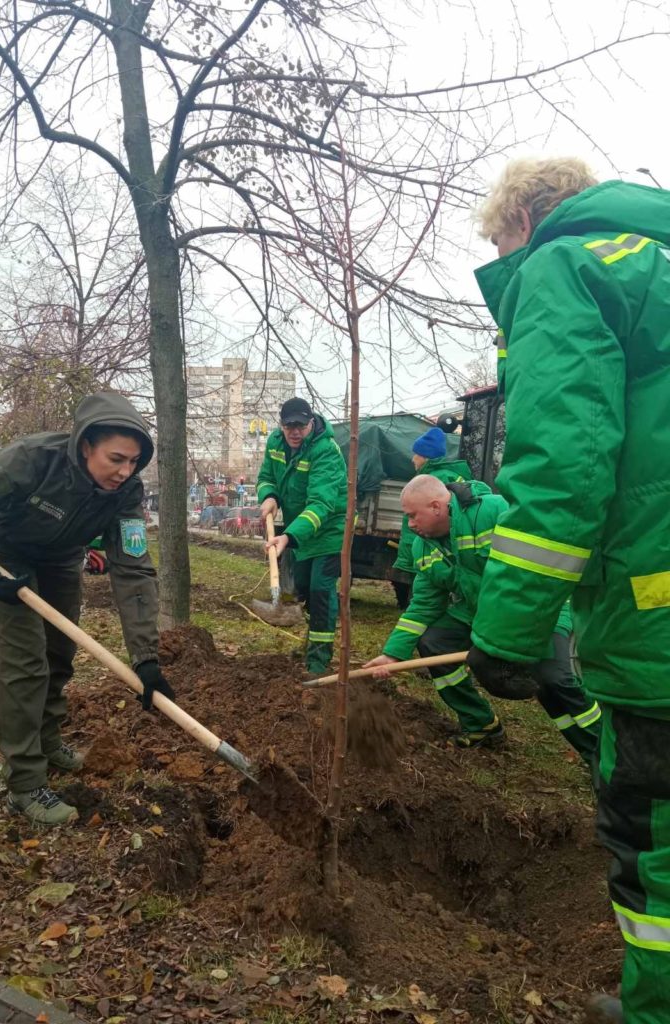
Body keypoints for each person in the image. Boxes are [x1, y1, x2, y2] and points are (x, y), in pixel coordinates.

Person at [466, 156, 670, 1024]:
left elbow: (562, 471)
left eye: (500, 244)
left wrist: (509, 637)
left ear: (524, 221)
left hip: (658, 622)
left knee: (653, 833)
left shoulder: (563, 264)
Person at [0, 392, 173, 826]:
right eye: (116, 459)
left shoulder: (126, 492)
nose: (125, 472)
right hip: (3, 552)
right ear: (86, 446)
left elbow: (134, 570)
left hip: (62, 557)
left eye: (133, 462)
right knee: (25, 664)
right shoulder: (31, 459)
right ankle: (25, 783)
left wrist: (146, 658)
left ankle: (46, 741)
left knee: (59, 654)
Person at [364, 475, 600, 772]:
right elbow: (423, 605)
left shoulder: (491, 512)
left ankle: (602, 753)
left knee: (553, 679)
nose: (409, 524)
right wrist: (392, 654)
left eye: (413, 515)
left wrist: (513, 632)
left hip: (539, 608)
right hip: (479, 615)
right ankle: (481, 724)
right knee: (435, 642)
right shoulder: (423, 549)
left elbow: (540, 560)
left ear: (436, 506)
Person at [257, 397, 347, 673]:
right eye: (289, 426)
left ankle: (318, 662)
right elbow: (266, 477)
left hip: (330, 528)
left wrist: (288, 537)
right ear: (281, 425)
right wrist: (269, 496)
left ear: (311, 422)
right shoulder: (274, 443)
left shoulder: (325, 451)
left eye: (301, 425)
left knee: (321, 590)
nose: (295, 432)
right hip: (300, 527)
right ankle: (313, 637)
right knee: (303, 585)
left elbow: (321, 504)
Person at [391, 426, 474, 607]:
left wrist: (412, 554)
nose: (413, 459)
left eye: (416, 454)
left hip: (429, 551)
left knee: (424, 597)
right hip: (429, 550)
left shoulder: (435, 479)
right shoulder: (447, 475)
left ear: (426, 456)